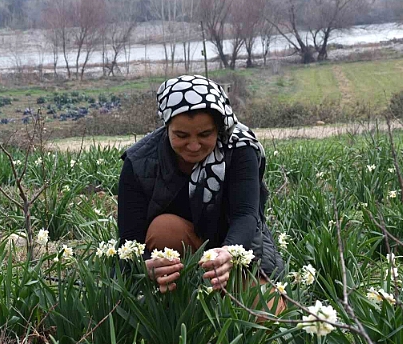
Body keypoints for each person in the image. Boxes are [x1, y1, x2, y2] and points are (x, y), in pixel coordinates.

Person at [117, 74, 285, 311]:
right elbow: (129, 242)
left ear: (219, 127)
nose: (194, 146)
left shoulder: (240, 148)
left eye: (205, 135)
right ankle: (180, 303)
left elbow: (245, 215)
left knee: (269, 313)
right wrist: (146, 266)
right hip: (179, 255)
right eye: (181, 135)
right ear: (167, 127)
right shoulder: (140, 161)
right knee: (164, 227)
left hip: (232, 252)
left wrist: (229, 254)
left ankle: (218, 296)